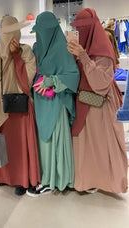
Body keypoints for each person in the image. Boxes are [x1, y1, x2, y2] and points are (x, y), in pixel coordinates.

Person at [67, 8, 128, 194]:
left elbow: (100, 84)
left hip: (100, 106)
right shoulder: (81, 47)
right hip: (83, 103)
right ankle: (87, 180)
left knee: (101, 146)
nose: (81, 31)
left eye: (84, 27)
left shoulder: (103, 50)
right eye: (78, 28)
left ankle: (104, 181)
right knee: (85, 146)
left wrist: (84, 57)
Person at [0, 15, 40, 195]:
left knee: (18, 145)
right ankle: (1, 177)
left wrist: (16, 57)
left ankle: (21, 180)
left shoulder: (25, 51)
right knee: (3, 142)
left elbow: (27, 82)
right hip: (1, 106)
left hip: (19, 105)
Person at [26, 11, 80, 196]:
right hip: (41, 103)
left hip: (56, 102)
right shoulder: (37, 48)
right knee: (44, 141)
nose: (39, 35)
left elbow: (73, 76)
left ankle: (57, 179)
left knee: (55, 141)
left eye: (42, 31)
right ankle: (46, 177)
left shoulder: (63, 49)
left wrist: (53, 81)